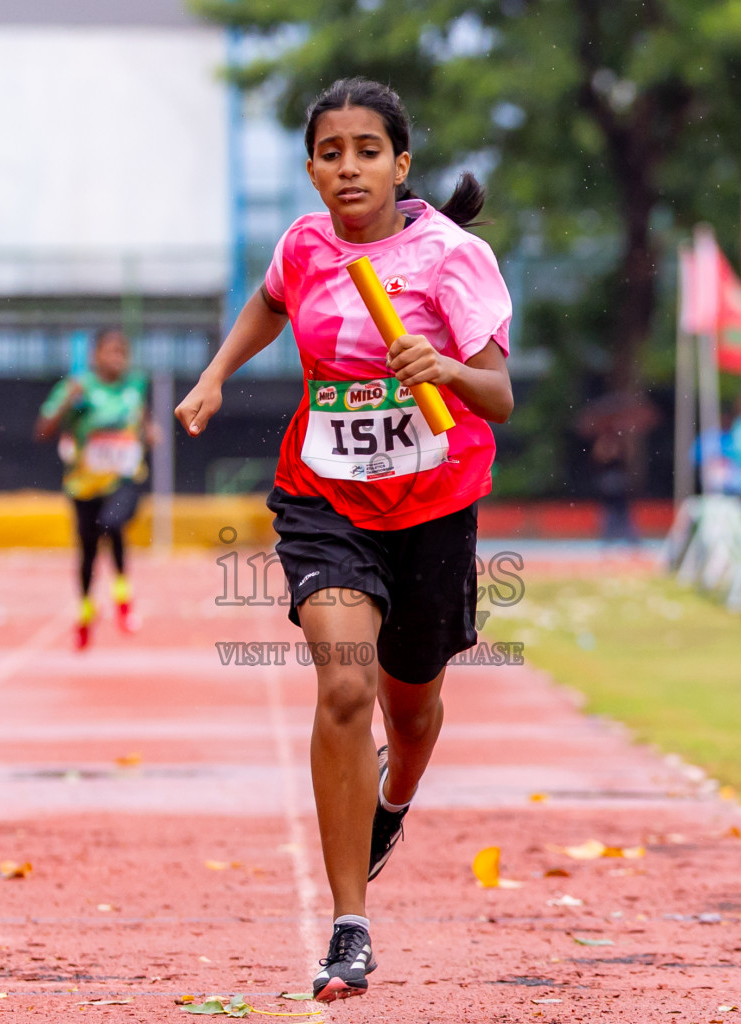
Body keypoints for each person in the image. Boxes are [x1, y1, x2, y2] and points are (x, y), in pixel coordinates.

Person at [175, 78, 513, 1002]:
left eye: (368, 150)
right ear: (313, 168)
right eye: (331, 152)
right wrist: (212, 378)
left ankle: (392, 801)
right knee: (345, 683)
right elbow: (271, 302)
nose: (348, 167)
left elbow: (498, 398)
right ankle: (349, 926)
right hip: (326, 497)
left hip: (435, 502)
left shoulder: (454, 257)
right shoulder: (305, 245)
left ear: (401, 165)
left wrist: (438, 364)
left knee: (409, 712)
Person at [35, 328, 153, 649]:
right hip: (83, 485)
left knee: (112, 523)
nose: (117, 359)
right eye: (110, 351)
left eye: (122, 353)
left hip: (123, 480)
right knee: (87, 551)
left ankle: (123, 598)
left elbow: (141, 419)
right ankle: (86, 610)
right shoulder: (78, 388)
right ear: (95, 355)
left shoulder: (135, 386)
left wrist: (149, 430)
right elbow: (43, 429)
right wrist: (67, 406)